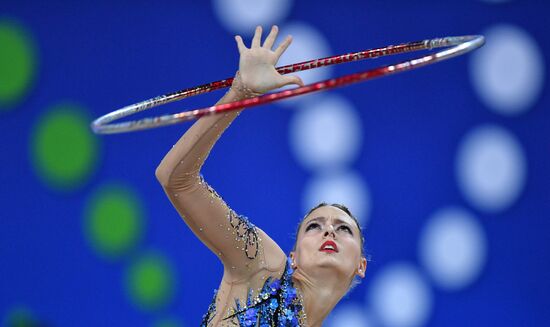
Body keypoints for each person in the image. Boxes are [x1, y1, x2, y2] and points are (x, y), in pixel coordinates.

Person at [155, 25, 368, 327]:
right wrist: (241, 92)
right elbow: (176, 178)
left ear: (361, 265)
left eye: (344, 229)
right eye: (314, 226)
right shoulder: (264, 265)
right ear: (294, 258)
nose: (329, 232)